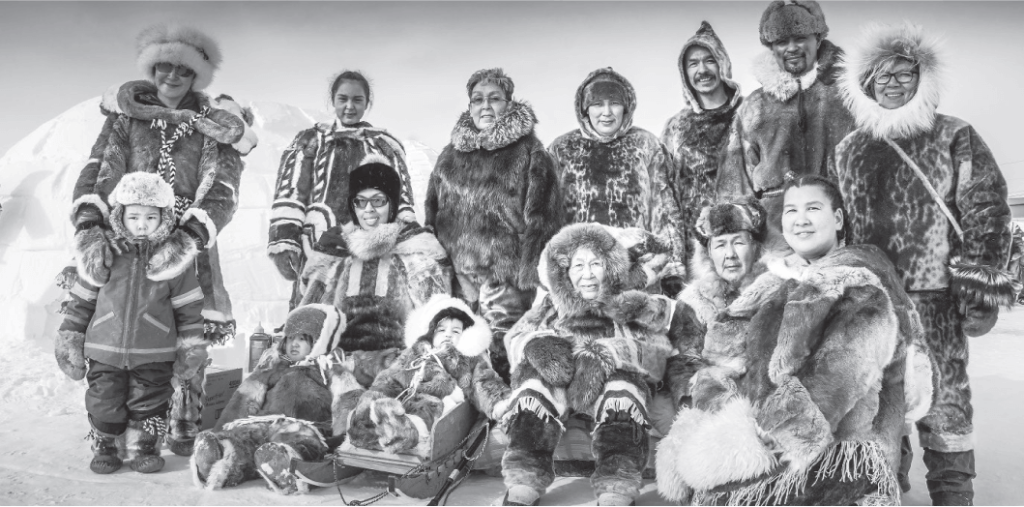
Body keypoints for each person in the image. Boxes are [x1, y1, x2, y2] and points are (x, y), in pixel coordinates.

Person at [657, 175, 929, 505]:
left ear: (838, 219)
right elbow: (725, 362)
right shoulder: (777, 282)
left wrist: (758, 440)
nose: (800, 220)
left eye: (812, 208)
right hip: (778, 441)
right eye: (791, 210)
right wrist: (718, 406)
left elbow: (836, 376)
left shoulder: (860, 282)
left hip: (842, 458)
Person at [834, 23, 1016, 505]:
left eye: (904, 73)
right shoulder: (847, 150)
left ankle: (954, 494)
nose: (893, 83)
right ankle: (885, 490)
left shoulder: (955, 134)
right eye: (882, 75)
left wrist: (980, 290)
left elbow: (986, 211)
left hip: (936, 302)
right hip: (872, 304)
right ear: (866, 82)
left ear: (923, 78)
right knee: (881, 408)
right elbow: (840, 226)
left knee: (945, 404)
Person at [70, 23, 256, 457]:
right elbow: (97, 169)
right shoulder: (125, 117)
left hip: (188, 242)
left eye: (183, 70)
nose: (172, 76)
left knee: (190, 328)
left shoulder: (215, 126)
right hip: (126, 237)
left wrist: (189, 237)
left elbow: (224, 188)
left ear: (197, 77)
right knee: (122, 327)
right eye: (163, 67)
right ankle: (113, 429)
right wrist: (91, 227)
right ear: (151, 69)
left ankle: (182, 422)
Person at [500, 223, 679, 507]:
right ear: (564, 272)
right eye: (578, 265)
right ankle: (524, 480)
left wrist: (606, 355)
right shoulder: (552, 304)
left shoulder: (627, 303)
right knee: (533, 386)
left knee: (624, 392)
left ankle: (616, 487)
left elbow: (657, 351)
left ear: (610, 267)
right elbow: (515, 337)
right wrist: (538, 347)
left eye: (596, 264)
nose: (587, 274)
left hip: (609, 384)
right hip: (563, 381)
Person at [56, 173, 207, 475]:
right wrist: (70, 335)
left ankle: (144, 447)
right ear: (119, 216)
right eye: (134, 216)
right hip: (104, 348)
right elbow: (82, 300)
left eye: (151, 217)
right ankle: (106, 446)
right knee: (104, 399)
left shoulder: (173, 261)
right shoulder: (104, 252)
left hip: (155, 351)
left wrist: (190, 348)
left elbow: (189, 309)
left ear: (164, 218)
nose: (141, 224)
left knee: (150, 401)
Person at [426, 68, 563, 383]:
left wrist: (531, 271)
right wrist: (438, 264)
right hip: (458, 276)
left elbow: (545, 217)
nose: (485, 106)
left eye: (494, 98)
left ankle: (505, 405)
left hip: (505, 275)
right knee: (455, 349)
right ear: (469, 106)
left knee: (500, 351)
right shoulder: (449, 156)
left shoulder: (530, 152)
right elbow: (432, 212)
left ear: (508, 103)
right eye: (478, 100)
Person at [717, 0, 855, 251]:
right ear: (771, 47)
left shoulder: (848, 96)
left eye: (800, 38)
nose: (791, 48)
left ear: (818, 38)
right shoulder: (754, 107)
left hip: (841, 236)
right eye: (781, 41)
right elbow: (735, 188)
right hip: (776, 242)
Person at [269, 70, 415, 308]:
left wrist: (408, 241)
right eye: (343, 99)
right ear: (333, 100)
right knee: (310, 312)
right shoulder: (311, 140)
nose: (349, 106)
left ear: (367, 103)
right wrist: (284, 238)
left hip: (371, 246)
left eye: (357, 100)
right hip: (316, 243)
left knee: (363, 310)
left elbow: (402, 199)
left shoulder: (384, 145)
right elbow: (291, 191)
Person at [549, 67, 685, 293]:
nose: (606, 112)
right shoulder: (562, 149)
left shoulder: (646, 144)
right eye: (597, 104)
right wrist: (551, 269)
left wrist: (672, 266)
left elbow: (666, 211)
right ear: (584, 109)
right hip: (580, 276)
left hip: (637, 274)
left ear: (626, 107)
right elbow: (547, 216)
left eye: (614, 103)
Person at [301, 156, 452, 349]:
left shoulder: (414, 250)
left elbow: (437, 320)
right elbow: (308, 320)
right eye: (360, 201)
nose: (368, 209)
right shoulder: (336, 250)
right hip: (338, 360)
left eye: (378, 200)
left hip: (397, 360)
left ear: (392, 205)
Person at [347, 294, 512, 457]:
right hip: (405, 393)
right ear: (431, 332)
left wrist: (498, 403)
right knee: (380, 389)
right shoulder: (416, 352)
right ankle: (365, 425)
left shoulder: (466, 359)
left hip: (436, 399)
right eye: (442, 330)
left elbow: (482, 381)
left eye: (456, 331)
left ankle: (404, 431)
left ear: (466, 335)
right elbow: (391, 370)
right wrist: (358, 366)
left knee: (429, 406)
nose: (448, 334)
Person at [663, 198, 768, 410]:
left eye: (738, 243)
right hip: (715, 405)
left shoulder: (775, 291)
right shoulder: (694, 302)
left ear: (756, 248)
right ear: (708, 253)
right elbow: (683, 364)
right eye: (720, 245)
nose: (730, 254)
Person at [661, 22, 744, 271]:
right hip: (693, 252)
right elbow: (666, 197)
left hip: (740, 244)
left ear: (723, 64)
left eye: (710, 61)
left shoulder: (748, 114)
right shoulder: (675, 127)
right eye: (693, 63)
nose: (702, 70)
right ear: (685, 73)